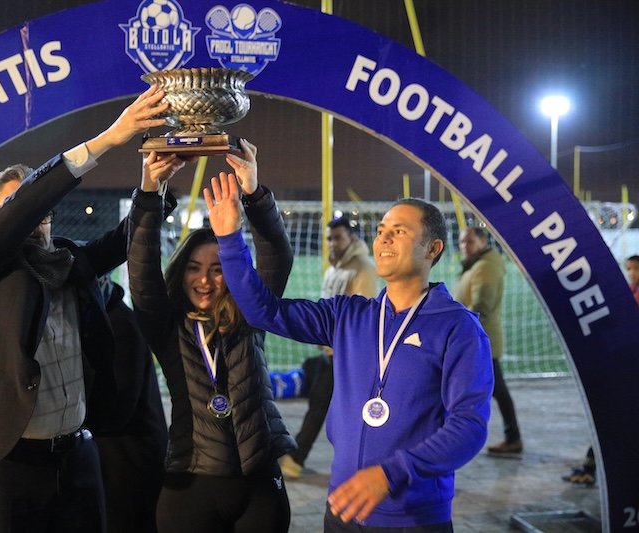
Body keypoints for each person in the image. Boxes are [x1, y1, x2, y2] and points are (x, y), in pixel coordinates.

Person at [0, 86, 171, 532]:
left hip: (76, 456)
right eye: (19, 210)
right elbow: (17, 218)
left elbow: (122, 241)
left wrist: (152, 184)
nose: (36, 221)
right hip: (6, 465)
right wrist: (108, 139)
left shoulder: (67, 260)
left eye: (44, 213)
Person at [208, 186, 494, 531]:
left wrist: (392, 473)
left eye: (399, 231)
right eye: (381, 231)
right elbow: (263, 311)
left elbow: (469, 427)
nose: (384, 238)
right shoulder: (347, 314)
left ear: (433, 248)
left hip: (412, 519)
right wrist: (229, 238)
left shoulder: (459, 328)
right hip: (342, 511)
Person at [127, 140, 296, 533]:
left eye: (218, 269)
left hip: (259, 482)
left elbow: (277, 255)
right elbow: (141, 267)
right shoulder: (166, 324)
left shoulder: (251, 314)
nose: (204, 279)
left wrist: (254, 193)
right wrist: (149, 192)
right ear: (181, 272)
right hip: (191, 481)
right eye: (194, 268)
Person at [280, 216, 377, 479]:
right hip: (330, 352)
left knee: (323, 406)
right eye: (329, 239)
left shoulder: (363, 268)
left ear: (351, 239)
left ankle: (295, 460)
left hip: (347, 355)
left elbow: (364, 315)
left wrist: (349, 349)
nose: (333, 243)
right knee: (325, 406)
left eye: (338, 238)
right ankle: (297, 458)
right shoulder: (333, 268)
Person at [93, 274, 167, 533]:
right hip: (119, 461)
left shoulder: (120, 324)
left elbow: (117, 410)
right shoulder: (107, 319)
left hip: (130, 466)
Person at [562, 254, 639, 487]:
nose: (631, 273)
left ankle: (594, 469)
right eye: (629, 268)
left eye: (636, 269)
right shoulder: (629, 292)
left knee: (614, 418)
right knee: (611, 418)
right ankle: (592, 468)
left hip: (630, 369)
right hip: (625, 368)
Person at [455, 226, 522, 455]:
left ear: (483, 242)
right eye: (462, 242)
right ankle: (512, 437)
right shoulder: (478, 264)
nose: (465, 246)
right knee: (494, 390)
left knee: (496, 390)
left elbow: (481, 306)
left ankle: (512, 437)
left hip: (480, 340)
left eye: (470, 241)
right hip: (477, 339)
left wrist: (461, 332)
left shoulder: (485, 267)